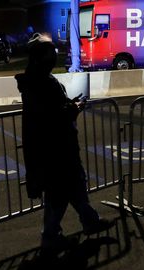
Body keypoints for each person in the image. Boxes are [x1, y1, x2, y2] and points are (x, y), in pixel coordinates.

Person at [14, 33, 115, 257]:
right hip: (55, 148)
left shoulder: (37, 80)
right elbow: (53, 117)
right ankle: (50, 236)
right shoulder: (42, 83)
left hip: (57, 146)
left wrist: (69, 106)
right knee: (59, 193)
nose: (55, 54)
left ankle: (89, 221)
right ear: (40, 57)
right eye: (51, 51)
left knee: (74, 185)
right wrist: (75, 107)